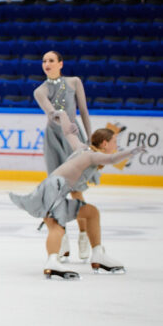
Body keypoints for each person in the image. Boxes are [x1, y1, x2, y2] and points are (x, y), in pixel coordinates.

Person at [10, 112, 144, 279]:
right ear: (104, 143)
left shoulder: (83, 148)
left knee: (91, 212)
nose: (116, 145)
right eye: (114, 142)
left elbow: (68, 133)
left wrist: (62, 116)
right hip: (53, 190)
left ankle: (97, 255)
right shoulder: (92, 155)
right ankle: (52, 261)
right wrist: (131, 152)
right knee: (56, 226)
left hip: (53, 190)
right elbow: (111, 159)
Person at [34, 51, 94, 261]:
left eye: (51, 60)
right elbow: (52, 113)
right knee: (57, 191)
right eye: (44, 61)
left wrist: (89, 139)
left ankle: (85, 235)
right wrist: (61, 119)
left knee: (77, 190)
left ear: (61, 63)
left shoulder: (74, 82)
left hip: (75, 137)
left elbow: (84, 111)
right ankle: (63, 238)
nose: (47, 64)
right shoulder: (40, 91)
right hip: (54, 139)